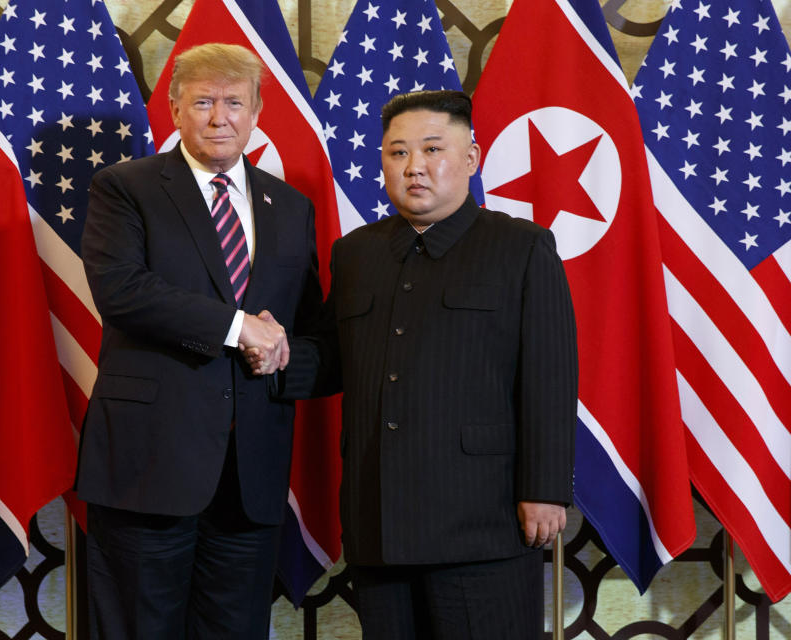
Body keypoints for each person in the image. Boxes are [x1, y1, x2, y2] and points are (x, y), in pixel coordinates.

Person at [250, 90, 578, 639]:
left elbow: (550, 375)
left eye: (432, 149)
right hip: (378, 519)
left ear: (471, 159)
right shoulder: (357, 251)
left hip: (481, 519)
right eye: (398, 153)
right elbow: (334, 357)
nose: (415, 167)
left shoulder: (521, 248)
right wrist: (270, 354)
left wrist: (544, 488)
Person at [75, 43, 323, 639]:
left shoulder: (290, 206)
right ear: (175, 109)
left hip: (251, 480)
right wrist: (243, 330)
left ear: (258, 110)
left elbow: (308, 327)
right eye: (204, 102)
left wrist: (282, 351)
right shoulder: (125, 188)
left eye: (234, 102)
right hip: (149, 468)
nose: (220, 118)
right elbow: (123, 291)